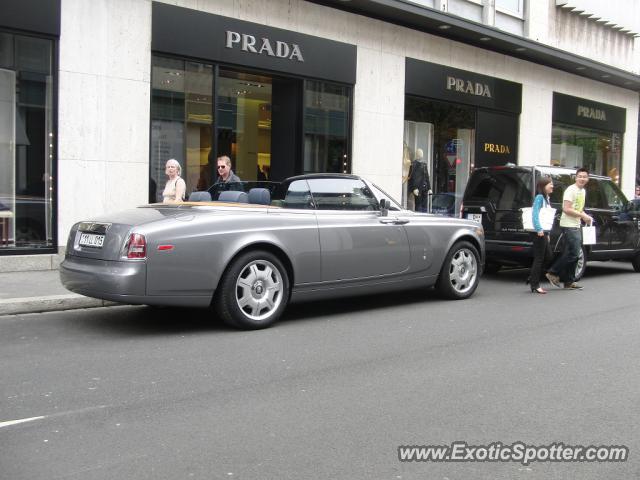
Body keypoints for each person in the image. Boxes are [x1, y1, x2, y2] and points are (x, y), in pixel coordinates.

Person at [546, 167, 593, 290]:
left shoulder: (582, 191)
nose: (582, 179)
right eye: (580, 176)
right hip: (568, 224)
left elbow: (578, 208)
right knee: (575, 253)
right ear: (575, 177)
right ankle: (553, 272)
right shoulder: (570, 190)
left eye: (584, 177)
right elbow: (566, 209)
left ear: (588, 179)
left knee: (570, 252)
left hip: (576, 224)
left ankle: (568, 282)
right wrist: (582, 215)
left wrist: (585, 216)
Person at [528, 177, 554, 294]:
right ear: (543, 186)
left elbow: (546, 218)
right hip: (538, 232)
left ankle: (532, 277)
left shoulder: (547, 199)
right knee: (539, 258)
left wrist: (547, 233)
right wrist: (539, 229)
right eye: (550, 184)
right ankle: (535, 284)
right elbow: (535, 214)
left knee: (548, 256)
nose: (552, 186)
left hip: (544, 232)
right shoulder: (539, 198)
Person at [408, 148, 431, 212]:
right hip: (417, 188)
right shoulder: (413, 164)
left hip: (424, 188)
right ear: (417, 154)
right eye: (420, 153)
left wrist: (429, 188)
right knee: (418, 205)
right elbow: (412, 177)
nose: (421, 154)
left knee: (425, 206)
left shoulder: (424, 164)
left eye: (422, 153)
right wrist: (414, 188)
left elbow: (427, 177)